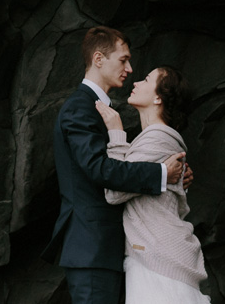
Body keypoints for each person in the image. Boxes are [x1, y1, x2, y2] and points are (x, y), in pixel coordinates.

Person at [45, 27, 189, 304]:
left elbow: (121, 163)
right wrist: (161, 173)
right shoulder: (80, 108)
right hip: (92, 246)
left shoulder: (100, 108)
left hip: (108, 248)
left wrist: (175, 173)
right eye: (123, 60)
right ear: (99, 59)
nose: (130, 68)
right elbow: (100, 169)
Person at [97, 66, 210, 304]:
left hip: (158, 256)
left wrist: (116, 136)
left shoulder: (157, 137)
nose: (136, 83)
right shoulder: (159, 139)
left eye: (147, 79)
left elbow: (115, 192)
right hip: (160, 252)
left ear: (158, 97)